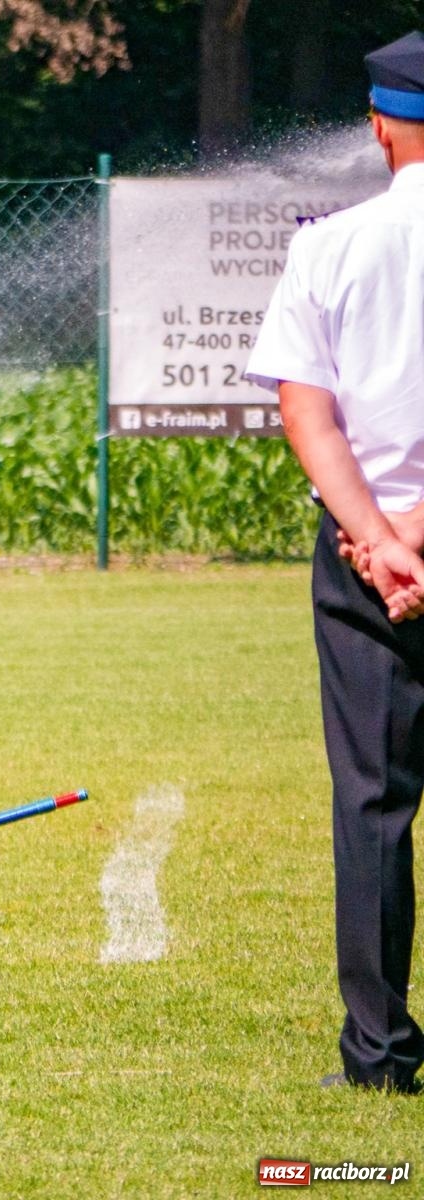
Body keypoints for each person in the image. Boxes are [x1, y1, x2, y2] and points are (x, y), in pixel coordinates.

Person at [243, 30, 424, 1094]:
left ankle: (380, 1054)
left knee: (371, 803)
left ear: (376, 123)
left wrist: (380, 540)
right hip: (399, 539)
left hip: (365, 556)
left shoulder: (327, 246)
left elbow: (305, 416)